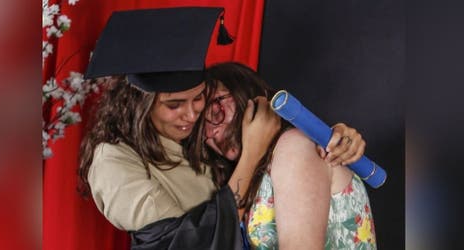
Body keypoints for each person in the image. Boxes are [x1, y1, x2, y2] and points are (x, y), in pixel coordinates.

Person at [78, 7, 368, 249]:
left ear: (251, 101)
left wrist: (330, 138)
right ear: (141, 107)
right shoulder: (114, 158)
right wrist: (253, 151)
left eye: (204, 101)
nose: (193, 117)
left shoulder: (292, 149)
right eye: (174, 104)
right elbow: (185, 244)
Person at [197, 62, 376, 250]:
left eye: (215, 111)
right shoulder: (248, 172)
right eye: (200, 130)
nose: (211, 133)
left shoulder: (294, 147)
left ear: (246, 93)